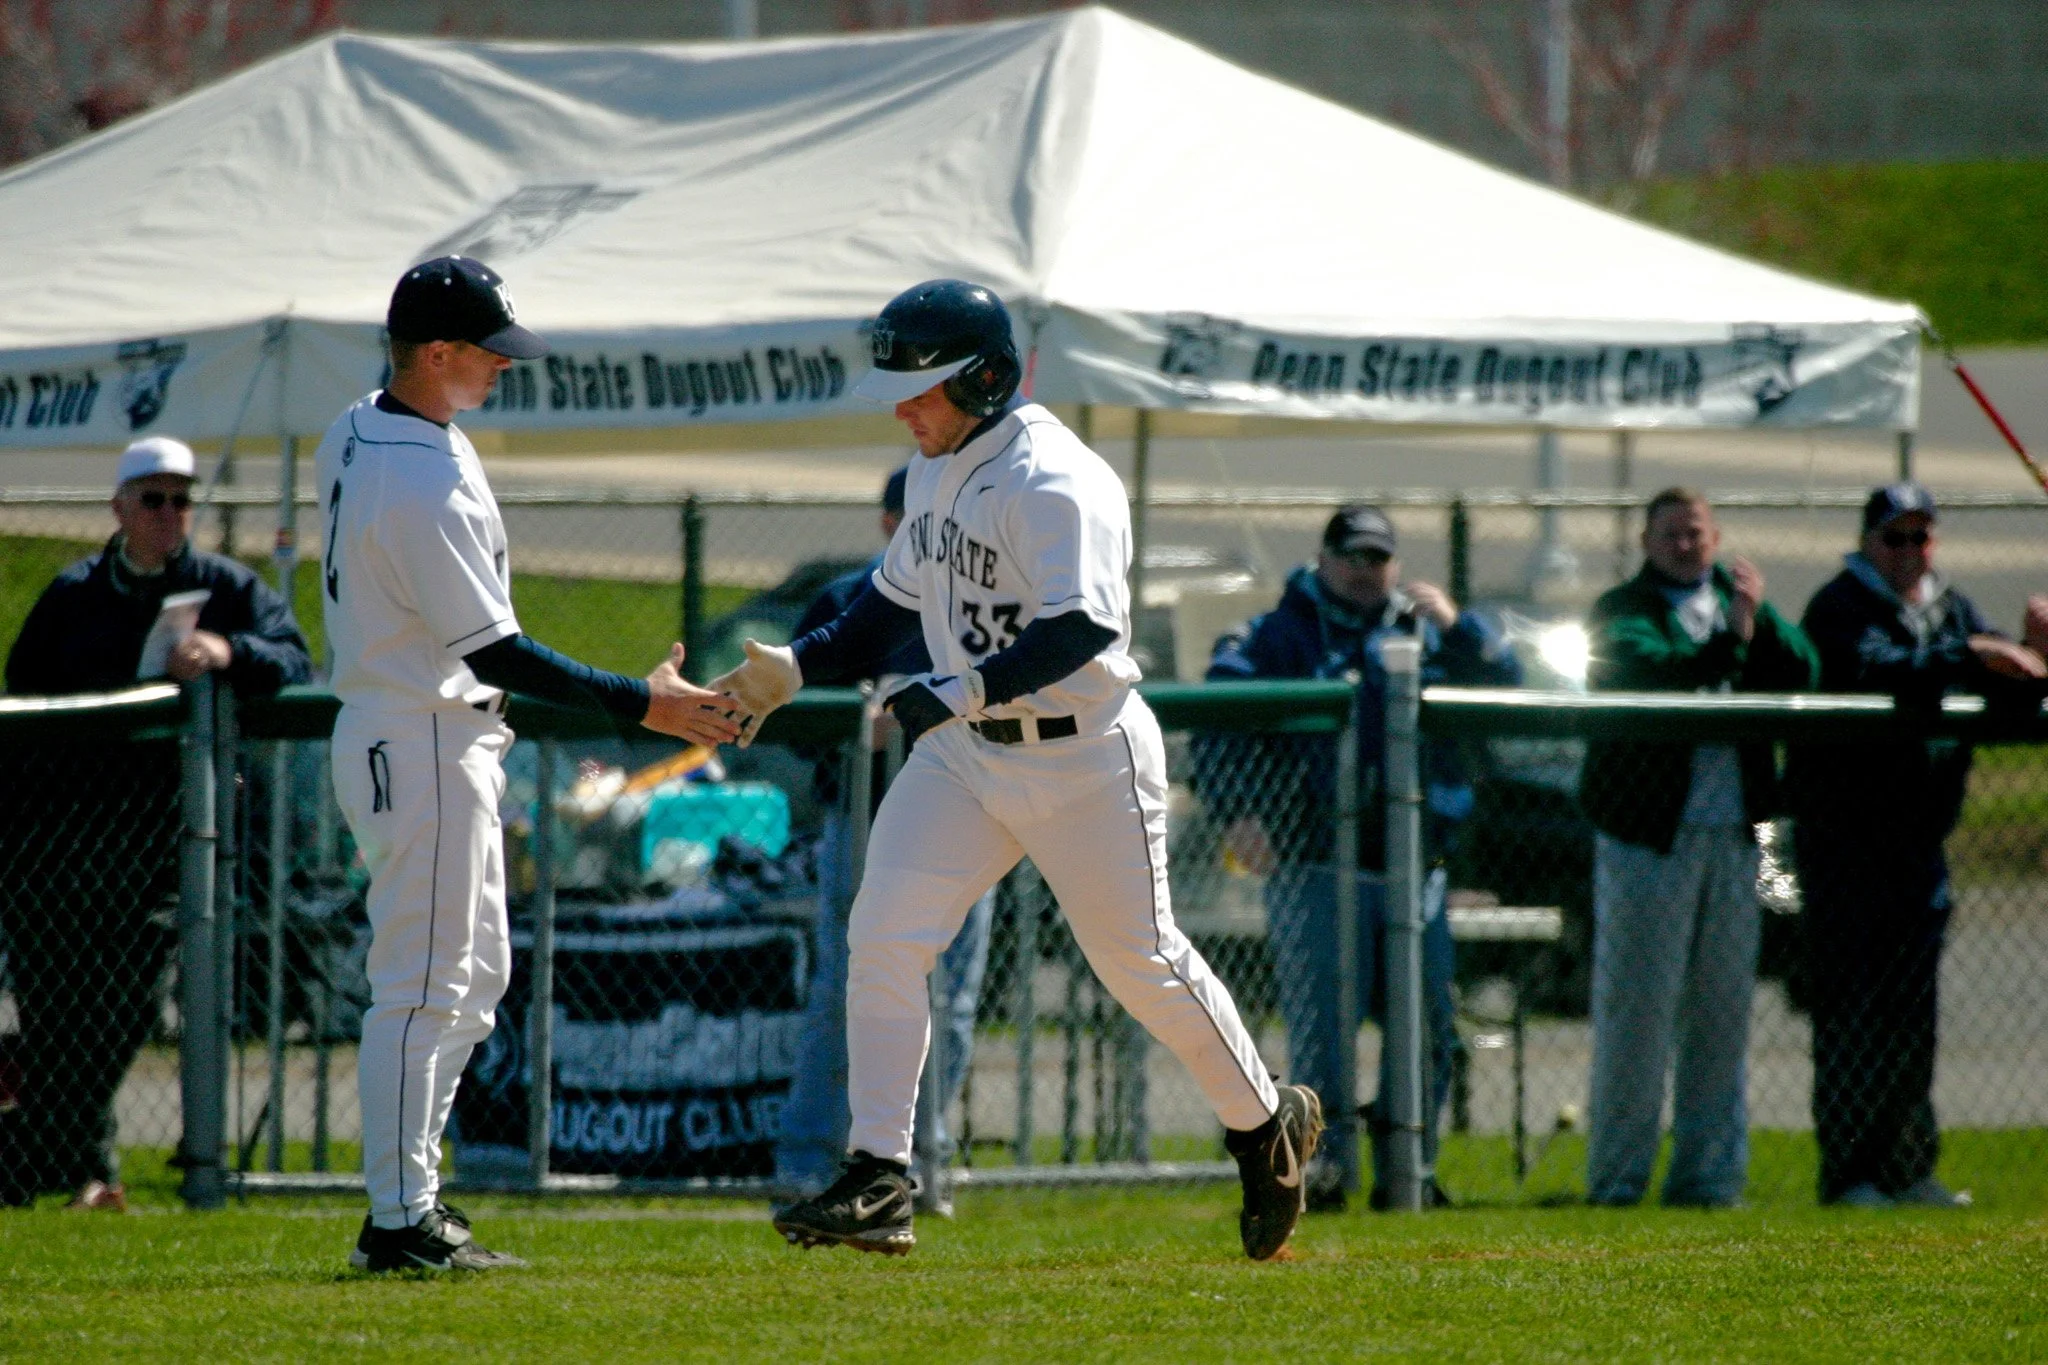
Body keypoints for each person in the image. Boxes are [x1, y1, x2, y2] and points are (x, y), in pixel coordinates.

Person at [713, 279, 1322, 1260]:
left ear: (989, 378)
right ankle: (879, 1175)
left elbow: (1083, 630)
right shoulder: (935, 466)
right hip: (967, 757)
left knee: (1141, 964)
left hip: (1081, 754)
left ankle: (1261, 1125)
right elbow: (886, 607)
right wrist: (795, 666)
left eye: (926, 389)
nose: (904, 407)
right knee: (883, 934)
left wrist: (957, 691)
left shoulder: (1051, 476)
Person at [315, 255, 739, 1272]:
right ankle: (397, 1218)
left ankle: (413, 1198)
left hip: (421, 724)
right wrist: (644, 705)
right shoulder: (414, 473)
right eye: (488, 352)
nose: (505, 367)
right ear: (436, 352)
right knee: (422, 985)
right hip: (420, 728)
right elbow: (494, 650)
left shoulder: (366, 422)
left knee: (471, 978)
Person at [1, 435, 312, 1211]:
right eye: (154, 498)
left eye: (182, 499)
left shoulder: (224, 585)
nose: (170, 514)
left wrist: (225, 648)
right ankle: (82, 1169)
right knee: (52, 1007)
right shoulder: (72, 596)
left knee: (124, 1004)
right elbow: (24, 697)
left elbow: (295, 659)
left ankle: (32, 1156)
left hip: (164, 835)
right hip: (58, 841)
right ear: (118, 508)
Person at [1200, 505, 1524, 1211]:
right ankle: (1325, 1173)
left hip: (1416, 870)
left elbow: (1510, 683)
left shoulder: (1422, 629)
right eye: (1351, 555)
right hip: (1316, 866)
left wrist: (1455, 623)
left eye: (1378, 557)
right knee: (1324, 1037)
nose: (1364, 570)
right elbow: (1218, 717)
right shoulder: (1281, 631)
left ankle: (1410, 1170)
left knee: (1430, 1032)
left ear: (1396, 565)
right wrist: (1239, 814)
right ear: (1322, 558)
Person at [1785, 482, 2045, 1208]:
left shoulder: (1951, 606)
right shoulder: (1839, 606)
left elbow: (2003, 683)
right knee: (1850, 1017)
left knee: (1911, 1018)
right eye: (1894, 538)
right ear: (1868, 541)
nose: (1908, 553)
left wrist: (2032, 652)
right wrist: (1974, 653)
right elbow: (1882, 670)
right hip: (1844, 849)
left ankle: (1907, 1167)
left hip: (1918, 848)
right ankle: (1850, 1175)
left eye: (1920, 538)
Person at [1577, 488, 1819, 1208]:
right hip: (1649, 840)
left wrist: (1753, 623)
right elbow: (1651, 669)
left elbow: (1801, 670)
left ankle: (1711, 1181)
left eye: (1697, 532)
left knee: (1722, 1013)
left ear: (1716, 538)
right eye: (1672, 533)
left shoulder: (1738, 603)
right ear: (1646, 541)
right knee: (1638, 1014)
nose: (1687, 545)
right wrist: (1730, 639)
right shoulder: (1622, 610)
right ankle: (1618, 1181)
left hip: (1739, 840)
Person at [775, 464, 996, 1215]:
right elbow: (797, 721)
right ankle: (811, 1160)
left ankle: (921, 1157)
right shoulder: (845, 599)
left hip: (971, 822)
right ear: (888, 523)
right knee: (845, 990)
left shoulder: (977, 595)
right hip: (865, 825)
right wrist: (860, 727)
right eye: (916, 516)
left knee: (956, 1002)